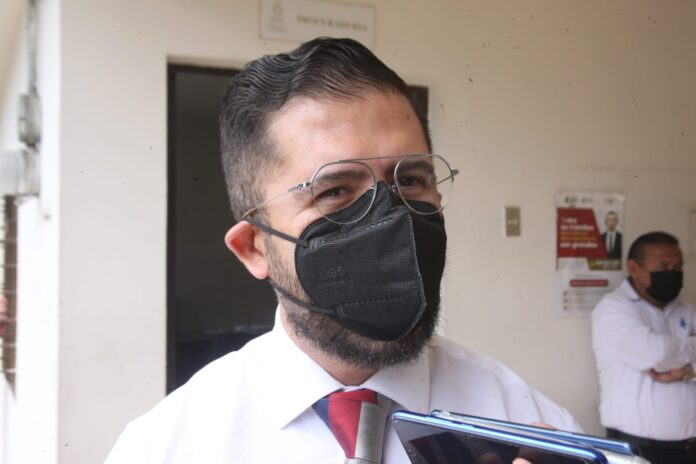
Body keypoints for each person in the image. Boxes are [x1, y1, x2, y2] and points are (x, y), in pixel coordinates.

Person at [106, 37, 579, 463]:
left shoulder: (532, 430)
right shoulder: (168, 447)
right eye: (334, 191)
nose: (390, 219)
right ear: (253, 248)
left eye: (411, 180)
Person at [592, 231, 696, 464]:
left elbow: (667, 353)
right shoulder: (613, 309)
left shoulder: (686, 309)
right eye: (663, 266)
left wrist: (687, 372)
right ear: (634, 268)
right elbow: (658, 354)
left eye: (678, 266)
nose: (672, 273)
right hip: (637, 450)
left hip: (689, 451)